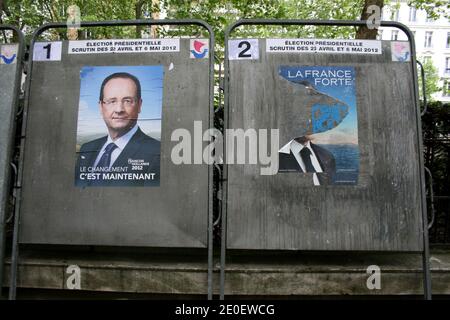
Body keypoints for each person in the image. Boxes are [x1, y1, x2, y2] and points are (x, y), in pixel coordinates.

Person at [75, 72, 160, 187]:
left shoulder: (157, 152)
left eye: (127, 101)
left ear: (139, 105)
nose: (119, 109)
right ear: (101, 106)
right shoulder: (87, 148)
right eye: (112, 101)